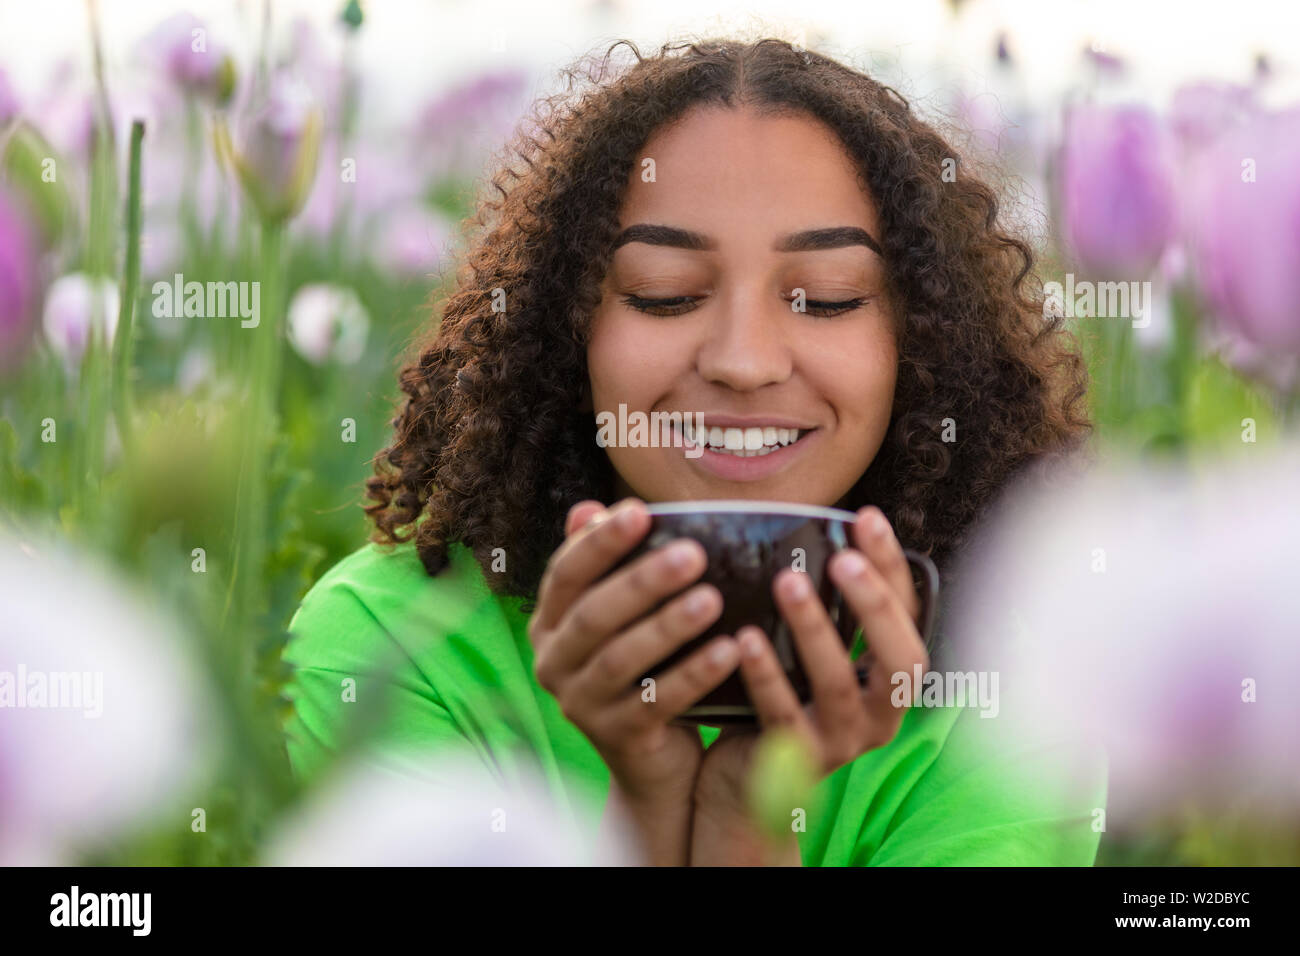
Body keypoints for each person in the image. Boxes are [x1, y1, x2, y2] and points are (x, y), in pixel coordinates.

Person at [281, 37, 1104, 866]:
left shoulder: (1015, 683)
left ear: (924, 345)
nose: (743, 362)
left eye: (825, 300)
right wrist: (642, 810)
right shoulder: (392, 643)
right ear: (569, 332)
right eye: (664, 295)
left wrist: (747, 827)